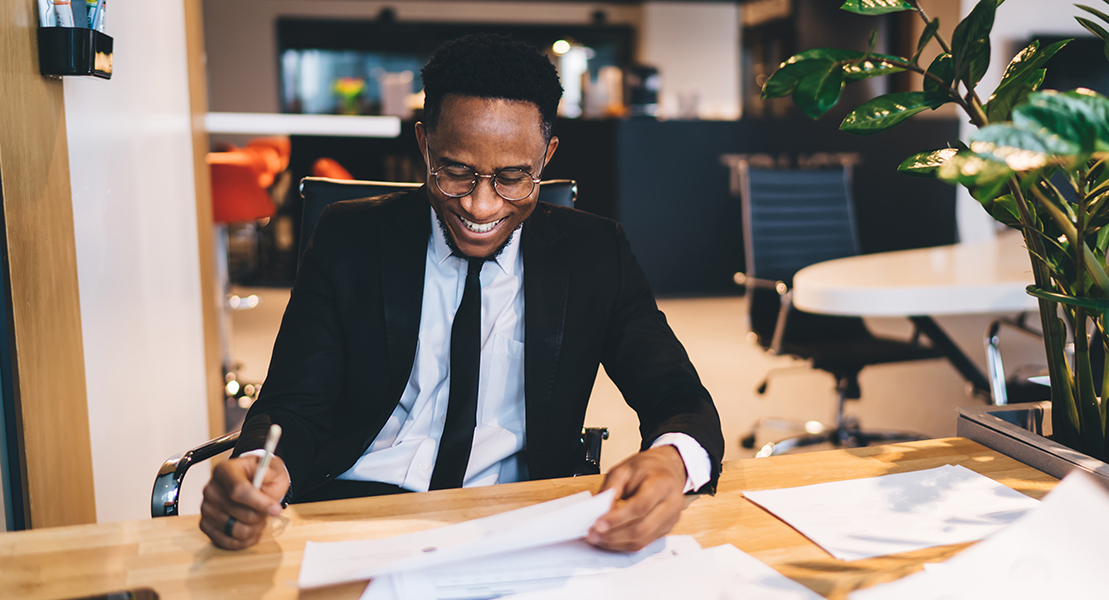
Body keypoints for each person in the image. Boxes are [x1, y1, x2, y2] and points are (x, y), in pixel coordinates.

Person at [199, 34, 723, 553]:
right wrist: (260, 468)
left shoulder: (594, 253)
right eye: (456, 171)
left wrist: (671, 460)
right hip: (357, 513)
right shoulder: (348, 240)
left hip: (520, 521)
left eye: (514, 177)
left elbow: (677, 396)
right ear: (425, 144)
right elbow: (294, 405)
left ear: (547, 155)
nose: (480, 205)